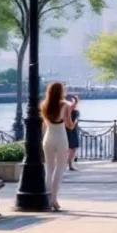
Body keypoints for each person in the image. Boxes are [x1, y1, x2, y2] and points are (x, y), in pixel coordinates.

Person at [41, 82, 73, 211]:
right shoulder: (65, 105)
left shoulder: (44, 105)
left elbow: (45, 124)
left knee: (49, 168)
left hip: (48, 138)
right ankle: (54, 198)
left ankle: (47, 198)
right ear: (61, 91)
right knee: (60, 168)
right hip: (60, 138)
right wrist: (74, 120)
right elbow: (70, 125)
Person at [65, 94, 80, 171]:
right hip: (64, 130)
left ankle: (70, 164)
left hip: (72, 130)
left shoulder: (76, 112)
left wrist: (70, 109)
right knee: (65, 148)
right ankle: (66, 164)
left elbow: (73, 123)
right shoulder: (63, 112)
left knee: (73, 148)